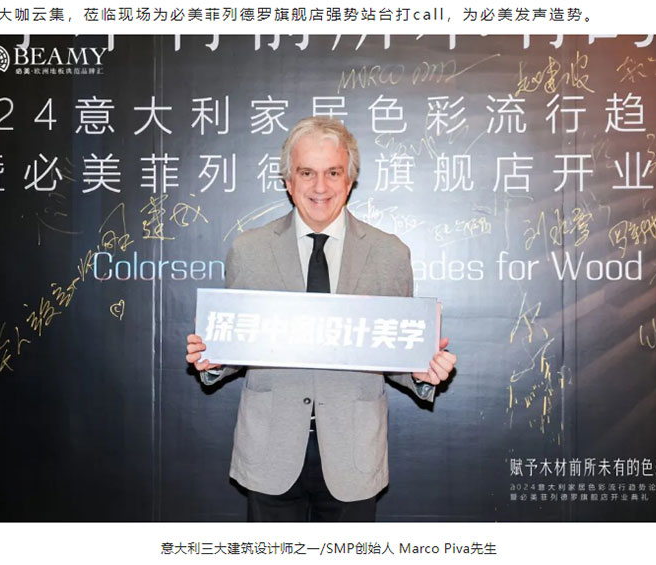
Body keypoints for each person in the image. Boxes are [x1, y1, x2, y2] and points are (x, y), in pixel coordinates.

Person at [186, 116, 456, 521]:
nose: (320, 187)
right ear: (288, 181)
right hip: (269, 449)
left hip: (354, 450)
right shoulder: (249, 250)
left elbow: (395, 352)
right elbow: (236, 346)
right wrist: (211, 360)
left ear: (350, 180)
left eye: (333, 172)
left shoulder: (389, 253)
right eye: (306, 172)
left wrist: (421, 371)